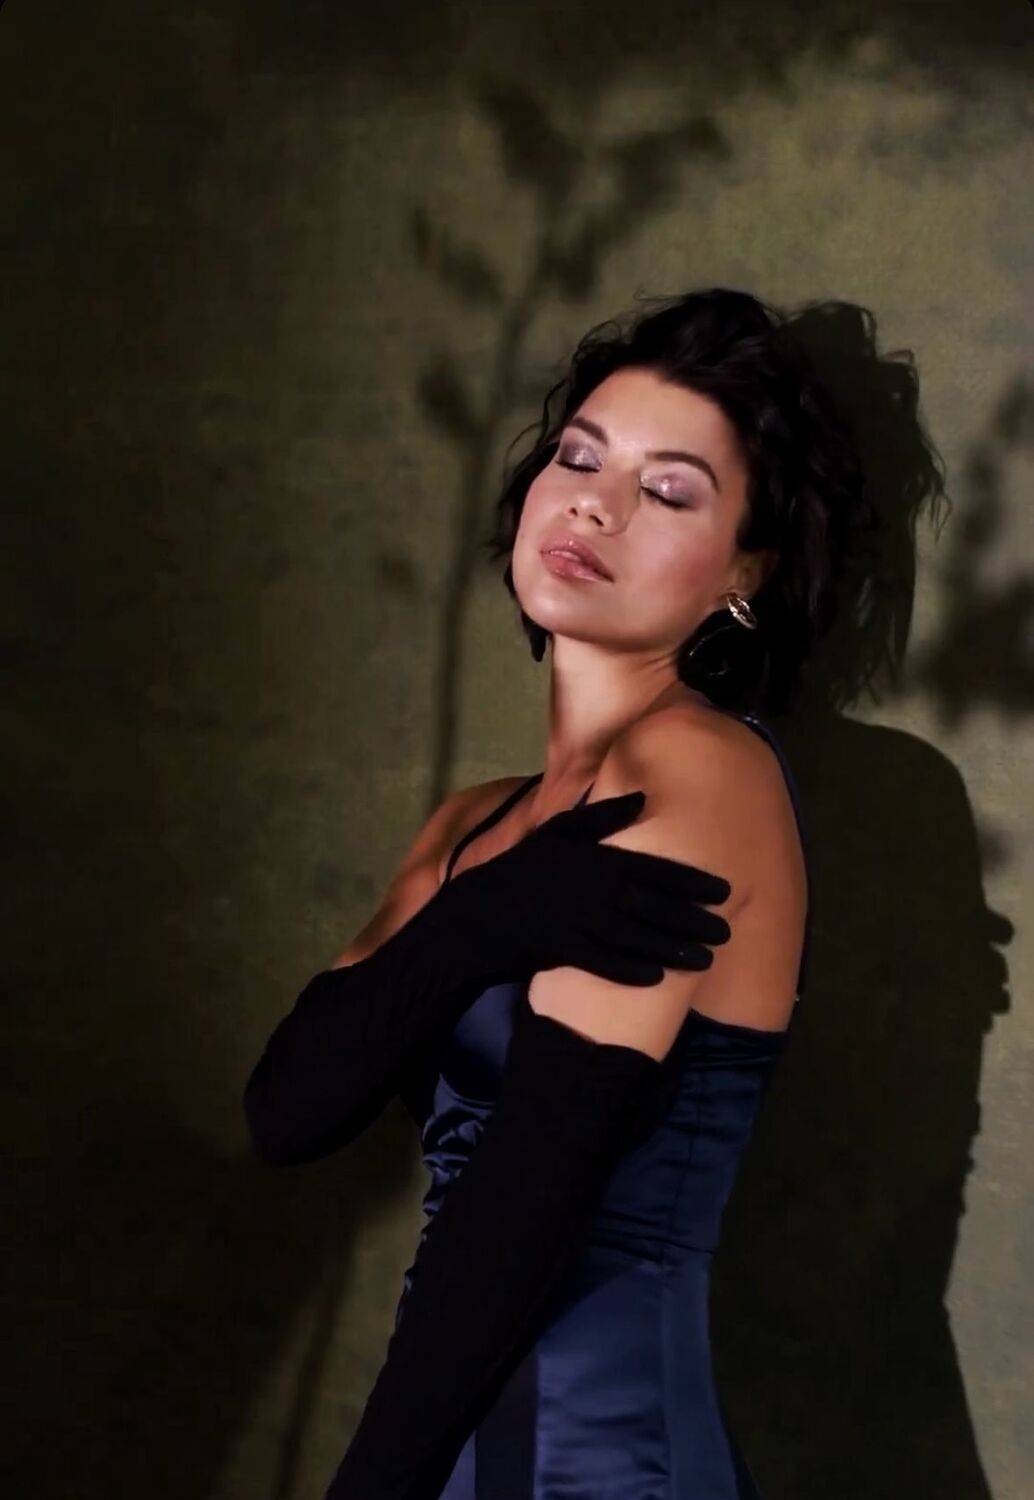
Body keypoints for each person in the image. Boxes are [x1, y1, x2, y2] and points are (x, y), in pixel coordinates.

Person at [243, 288, 872, 1498]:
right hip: (457, 1440)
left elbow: (530, 1196)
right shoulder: (473, 824)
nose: (594, 501)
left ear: (744, 571)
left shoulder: (700, 769)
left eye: (667, 490)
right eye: (578, 456)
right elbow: (287, 1112)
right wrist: (472, 922)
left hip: (599, 1462)